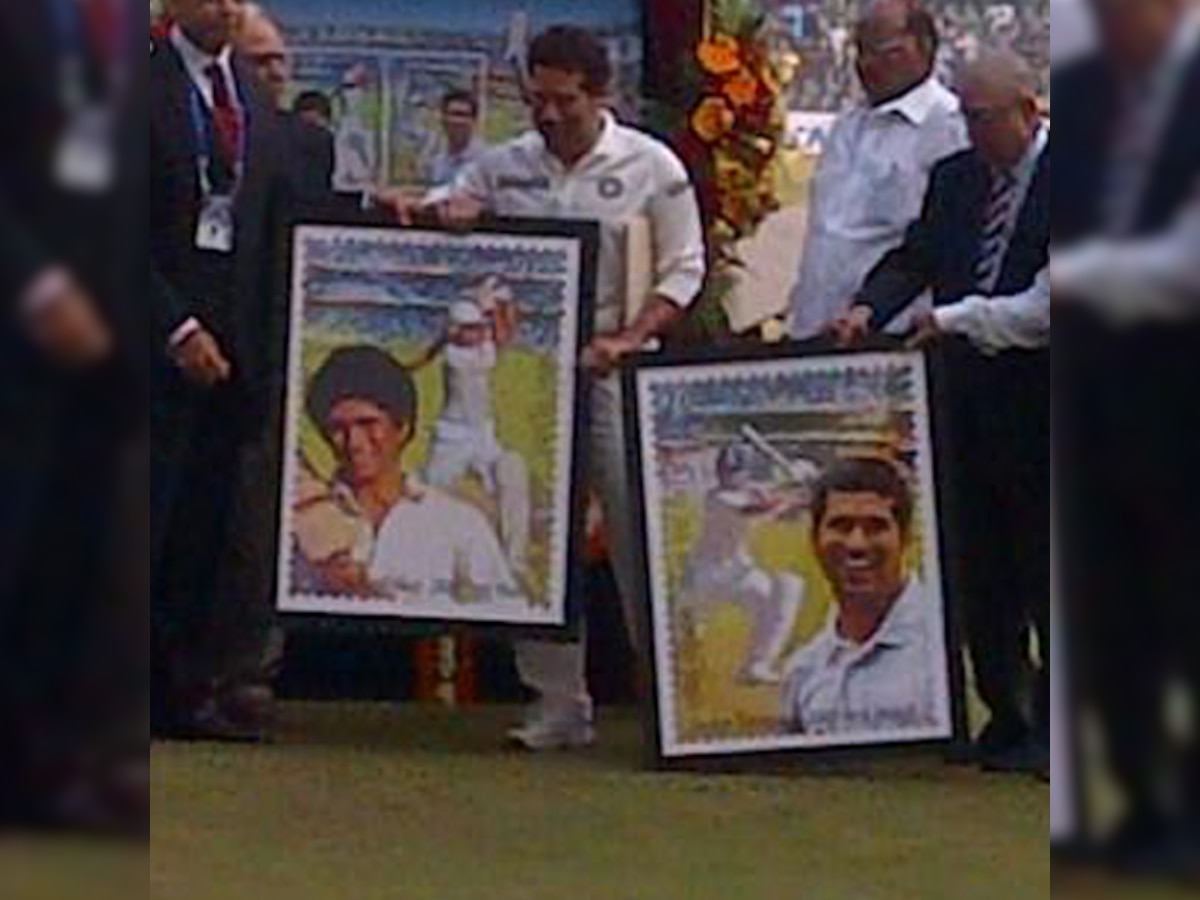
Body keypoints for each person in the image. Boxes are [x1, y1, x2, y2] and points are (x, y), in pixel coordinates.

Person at [398, 25, 707, 750]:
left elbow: (684, 268)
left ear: (601, 95)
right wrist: (451, 210)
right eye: (537, 99)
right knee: (535, 534)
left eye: (564, 101)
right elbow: (448, 204)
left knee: (636, 529)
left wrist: (630, 338)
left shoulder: (649, 165)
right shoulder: (504, 166)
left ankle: (672, 701)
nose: (549, 115)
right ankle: (559, 704)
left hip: (613, 367)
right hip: (529, 373)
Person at [830, 49, 1050, 776]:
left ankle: (1057, 726)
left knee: (1050, 567)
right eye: (964, 116)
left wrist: (953, 320)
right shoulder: (956, 179)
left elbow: (1046, 308)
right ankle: (1003, 714)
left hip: (1048, 401)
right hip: (963, 401)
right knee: (979, 567)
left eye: (983, 118)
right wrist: (869, 306)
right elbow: (917, 255)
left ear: (1030, 109)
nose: (972, 131)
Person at [1054, 0, 1200, 866]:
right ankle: (1147, 801)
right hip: (1102, 395)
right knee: (1118, 615)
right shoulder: (1084, 97)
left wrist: (1072, 277)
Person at [0, 0, 147, 833]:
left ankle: (48, 773)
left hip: (107, 347)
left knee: (71, 568)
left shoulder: (120, 34)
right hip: (24, 324)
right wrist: (39, 286)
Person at [150, 0, 288, 743]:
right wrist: (174, 325)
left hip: (235, 356)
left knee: (207, 533)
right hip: (148, 343)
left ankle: (186, 692)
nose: (226, 9)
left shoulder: (252, 96)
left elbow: (284, 211)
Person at [786, 0, 968, 340]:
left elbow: (936, 246)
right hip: (816, 328)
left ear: (925, 47)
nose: (867, 65)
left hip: (892, 332)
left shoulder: (949, 128)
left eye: (885, 52)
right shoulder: (847, 126)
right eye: (860, 51)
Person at [302, 346, 520, 607]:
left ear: (402, 427)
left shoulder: (459, 523)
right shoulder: (301, 522)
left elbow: (504, 612)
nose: (354, 442)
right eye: (338, 428)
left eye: (368, 424)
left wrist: (365, 592)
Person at [782, 458, 948, 738]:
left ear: (905, 537)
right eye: (841, 526)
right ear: (814, 538)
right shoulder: (803, 670)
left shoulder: (942, 650)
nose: (857, 544)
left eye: (876, 527)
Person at [415, 284, 531, 577]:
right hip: (452, 436)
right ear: (458, 331)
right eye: (472, 329)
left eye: (481, 328)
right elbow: (502, 337)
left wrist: (503, 303)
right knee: (430, 489)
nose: (481, 334)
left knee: (511, 472)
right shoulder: (457, 357)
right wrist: (495, 306)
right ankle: (425, 557)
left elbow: (504, 333)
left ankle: (514, 560)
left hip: (483, 435)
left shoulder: (475, 346)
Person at [681, 442, 808, 685]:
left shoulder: (750, 490)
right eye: (727, 470)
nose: (730, 475)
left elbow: (791, 513)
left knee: (789, 586)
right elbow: (757, 510)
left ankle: (756, 666)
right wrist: (795, 488)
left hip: (739, 575)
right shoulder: (718, 498)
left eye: (736, 470)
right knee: (684, 647)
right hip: (704, 578)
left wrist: (807, 488)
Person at [420, 89, 487, 187]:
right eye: (453, 114)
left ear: (474, 120)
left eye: (463, 115)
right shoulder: (433, 156)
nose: (457, 121)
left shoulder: (485, 161)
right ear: (443, 118)